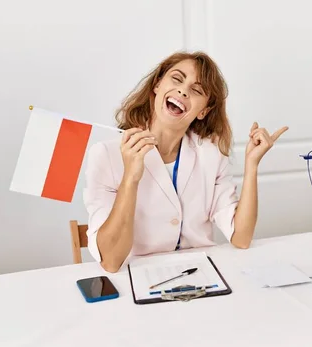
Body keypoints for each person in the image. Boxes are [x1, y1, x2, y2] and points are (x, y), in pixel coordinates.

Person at [83, 51, 288, 273]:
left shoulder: (211, 154)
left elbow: (242, 238)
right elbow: (111, 261)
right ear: (157, 85)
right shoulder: (105, 155)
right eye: (177, 79)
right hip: (138, 280)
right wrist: (130, 179)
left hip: (202, 277)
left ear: (203, 111)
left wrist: (252, 165)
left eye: (197, 90)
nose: (183, 90)